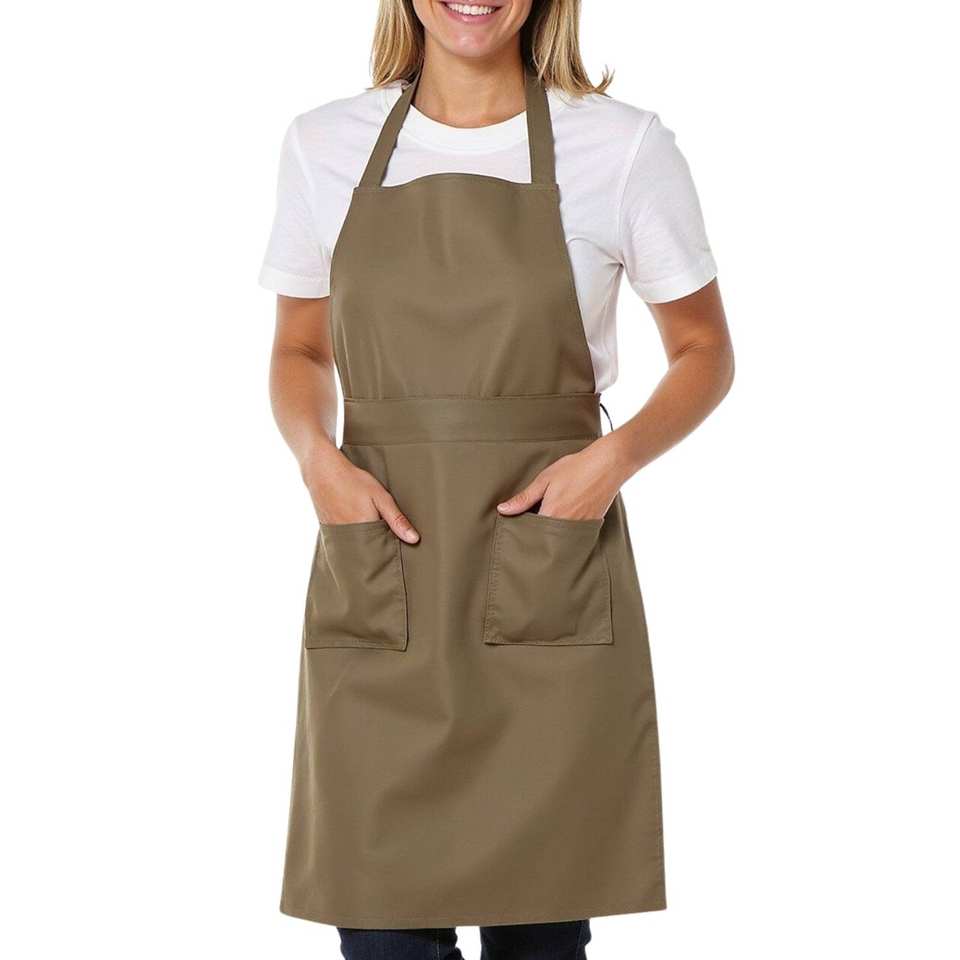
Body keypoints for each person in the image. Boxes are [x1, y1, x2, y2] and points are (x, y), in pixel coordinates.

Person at [261, 1, 734, 957]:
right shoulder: (323, 145)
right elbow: (300, 348)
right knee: (384, 941)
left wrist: (610, 462)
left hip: (543, 577)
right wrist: (318, 461)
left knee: (542, 940)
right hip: (384, 578)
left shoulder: (623, 147)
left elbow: (704, 350)